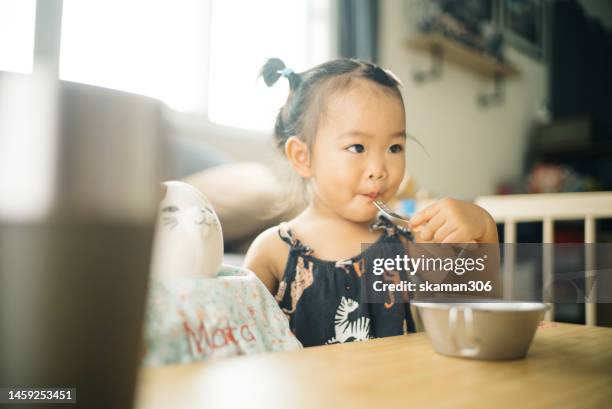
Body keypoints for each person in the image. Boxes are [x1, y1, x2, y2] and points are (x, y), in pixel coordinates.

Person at [244, 58, 498, 347]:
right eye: (357, 147)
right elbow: (243, 348)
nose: (379, 168)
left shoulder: (405, 243)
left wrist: (484, 230)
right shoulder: (273, 253)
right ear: (303, 157)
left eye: (394, 147)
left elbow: (476, 327)